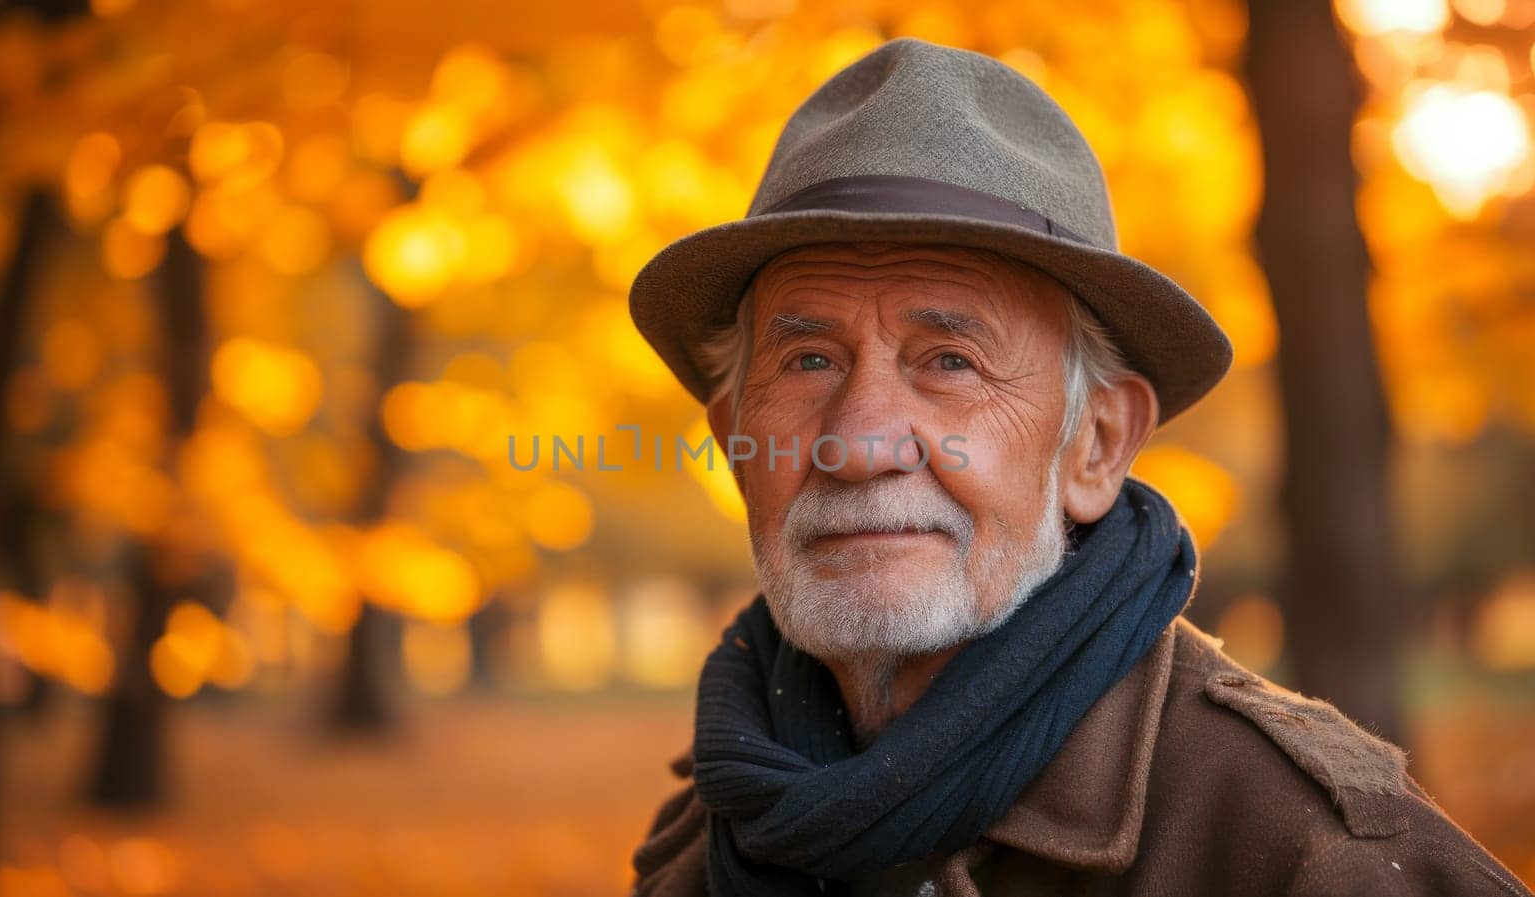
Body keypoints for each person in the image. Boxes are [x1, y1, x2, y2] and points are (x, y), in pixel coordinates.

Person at [624, 36, 1532, 897]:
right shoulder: (710, 832)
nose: (860, 442)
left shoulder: (1306, 854)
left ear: (1095, 446)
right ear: (740, 444)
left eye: (949, 361)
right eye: (810, 360)